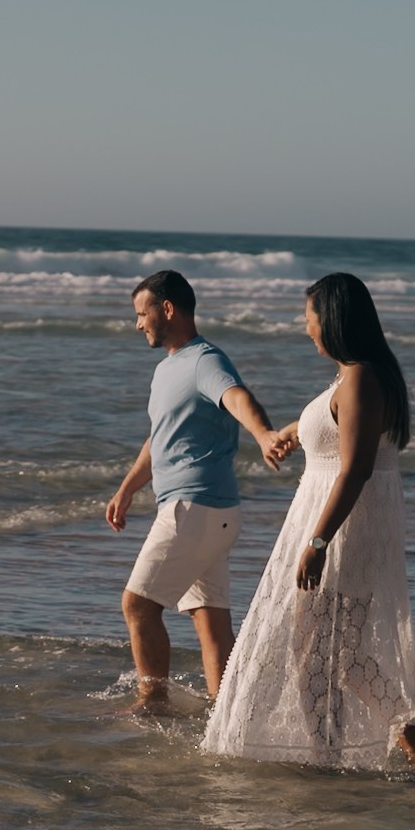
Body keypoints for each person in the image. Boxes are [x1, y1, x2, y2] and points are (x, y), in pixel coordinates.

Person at [202, 273, 415, 773]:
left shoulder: (360, 377)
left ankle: (406, 749)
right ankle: (343, 751)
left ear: (333, 319)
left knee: (330, 654)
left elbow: (356, 468)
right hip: (338, 525)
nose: (306, 328)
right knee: (319, 652)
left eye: (310, 318)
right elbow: (338, 428)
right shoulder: (352, 375)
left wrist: (317, 541)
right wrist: (296, 430)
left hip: (344, 531)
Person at [106, 270, 278, 715]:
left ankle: (152, 702)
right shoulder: (168, 370)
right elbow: (159, 437)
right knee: (210, 620)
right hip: (210, 513)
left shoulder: (205, 361)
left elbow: (238, 398)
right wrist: (127, 489)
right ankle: (228, 714)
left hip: (195, 507)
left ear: (167, 309)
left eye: (142, 314)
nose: (138, 324)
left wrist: (262, 435)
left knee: (138, 605)